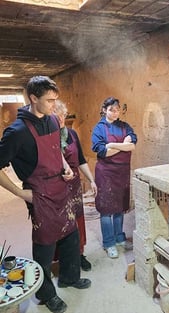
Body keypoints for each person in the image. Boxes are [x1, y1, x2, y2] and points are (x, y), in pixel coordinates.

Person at [0, 76, 91, 313]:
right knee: (45, 245)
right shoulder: (16, 132)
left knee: (70, 236)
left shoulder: (51, 121)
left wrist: (65, 165)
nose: (53, 105)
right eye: (49, 100)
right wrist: (20, 192)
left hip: (61, 187)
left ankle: (70, 277)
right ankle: (46, 293)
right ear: (33, 98)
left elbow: (55, 149)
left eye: (55, 100)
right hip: (40, 193)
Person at [54, 100, 97, 271]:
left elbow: (81, 160)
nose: (61, 119)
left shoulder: (71, 134)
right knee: (62, 221)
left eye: (63, 115)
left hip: (75, 185)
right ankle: (62, 258)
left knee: (77, 219)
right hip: (58, 185)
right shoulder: (46, 137)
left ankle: (79, 254)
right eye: (56, 116)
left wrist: (92, 180)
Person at [91, 97, 137, 258]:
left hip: (122, 172)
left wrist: (112, 145)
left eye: (117, 109)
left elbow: (132, 145)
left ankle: (119, 238)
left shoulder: (125, 126)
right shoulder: (99, 129)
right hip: (106, 173)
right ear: (104, 110)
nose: (115, 112)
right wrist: (122, 147)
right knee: (106, 209)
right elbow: (103, 151)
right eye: (111, 109)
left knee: (119, 207)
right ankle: (109, 242)